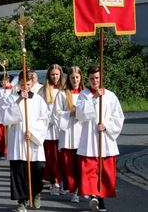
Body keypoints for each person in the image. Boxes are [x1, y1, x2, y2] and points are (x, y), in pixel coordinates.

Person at [75, 65, 124, 212]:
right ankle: (93, 196)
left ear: (101, 78)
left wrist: (107, 126)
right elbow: (80, 115)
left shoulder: (110, 95)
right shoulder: (84, 95)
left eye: (97, 78)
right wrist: (94, 98)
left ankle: (100, 200)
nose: (94, 81)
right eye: (91, 78)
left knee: (103, 172)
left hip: (105, 140)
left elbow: (118, 117)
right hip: (90, 140)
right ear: (88, 79)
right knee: (89, 172)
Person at [1, 70, 48, 212]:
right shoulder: (12, 98)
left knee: (38, 168)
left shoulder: (39, 100)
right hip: (18, 140)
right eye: (22, 84)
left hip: (33, 140)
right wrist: (19, 100)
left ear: (32, 82)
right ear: (19, 83)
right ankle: (22, 201)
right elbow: (6, 117)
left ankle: (36, 193)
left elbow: (44, 120)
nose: (25, 87)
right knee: (19, 171)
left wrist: (33, 132)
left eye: (27, 84)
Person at [53, 66, 85, 203]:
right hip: (68, 133)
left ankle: (80, 190)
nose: (75, 80)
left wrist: (81, 114)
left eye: (77, 77)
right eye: (72, 78)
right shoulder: (62, 94)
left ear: (81, 78)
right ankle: (73, 189)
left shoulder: (85, 93)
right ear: (69, 79)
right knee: (68, 164)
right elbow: (56, 113)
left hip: (82, 133)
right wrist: (69, 114)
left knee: (81, 164)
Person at [38, 64, 64, 195]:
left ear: (61, 75)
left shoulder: (64, 90)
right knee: (50, 157)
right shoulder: (43, 91)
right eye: (53, 74)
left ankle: (62, 181)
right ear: (49, 75)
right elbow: (39, 109)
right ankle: (54, 182)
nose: (55, 76)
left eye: (57, 74)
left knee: (61, 157)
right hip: (48, 128)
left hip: (61, 128)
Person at [0, 73, 13, 160]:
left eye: (4, 81)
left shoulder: (14, 89)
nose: (2, 83)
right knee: (0, 135)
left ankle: (7, 151)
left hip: (10, 116)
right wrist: (3, 99)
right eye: (1, 81)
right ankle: (0, 152)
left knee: (9, 135)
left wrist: (8, 101)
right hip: (1, 116)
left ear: (8, 80)